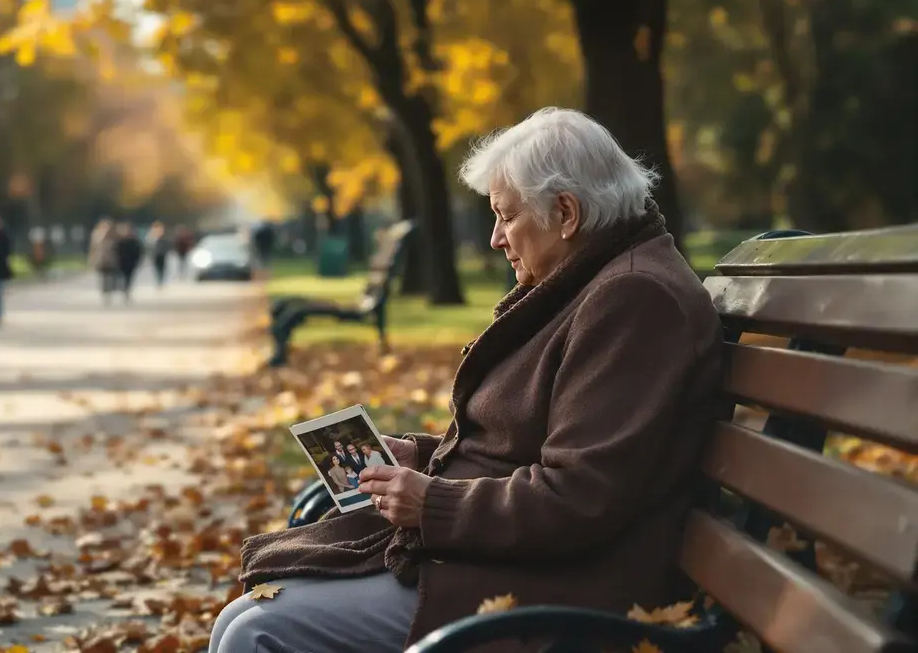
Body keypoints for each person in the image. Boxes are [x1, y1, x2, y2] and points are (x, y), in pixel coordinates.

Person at [208, 107, 728, 653]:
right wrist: (421, 459)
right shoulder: (594, 283)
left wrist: (432, 504)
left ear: (567, 214)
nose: (495, 239)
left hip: (560, 589)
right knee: (241, 618)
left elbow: (579, 498)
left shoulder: (633, 301)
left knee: (256, 630)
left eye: (506, 216)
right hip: (505, 561)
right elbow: (528, 449)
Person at [88, 218, 119, 304]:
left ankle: (109, 291)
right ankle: (104, 291)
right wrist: (91, 260)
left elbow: (117, 249)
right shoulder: (96, 235)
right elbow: (92, 249)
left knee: (110, 278)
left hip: (111, 261)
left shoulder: (114, 236)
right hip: (100, 260)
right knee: (102, 278)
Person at [113, 222, 144, 303]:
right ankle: (124, 290)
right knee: (122, 278)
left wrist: (137, 261)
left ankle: (127, 292)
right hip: (122, 263)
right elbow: (116, 252)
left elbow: (139, 253)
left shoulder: (134, 242)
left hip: (131, 263)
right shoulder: (120, 242)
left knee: (129, 278)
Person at [147, 221, 172, 288]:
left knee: (162, 269)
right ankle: (159, 281)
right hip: (156, 255)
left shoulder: (163, 236)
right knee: (157, 268)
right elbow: (150, 245)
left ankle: (160, 281)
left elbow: (167, 244)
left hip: (162, 254)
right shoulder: (152, 236)